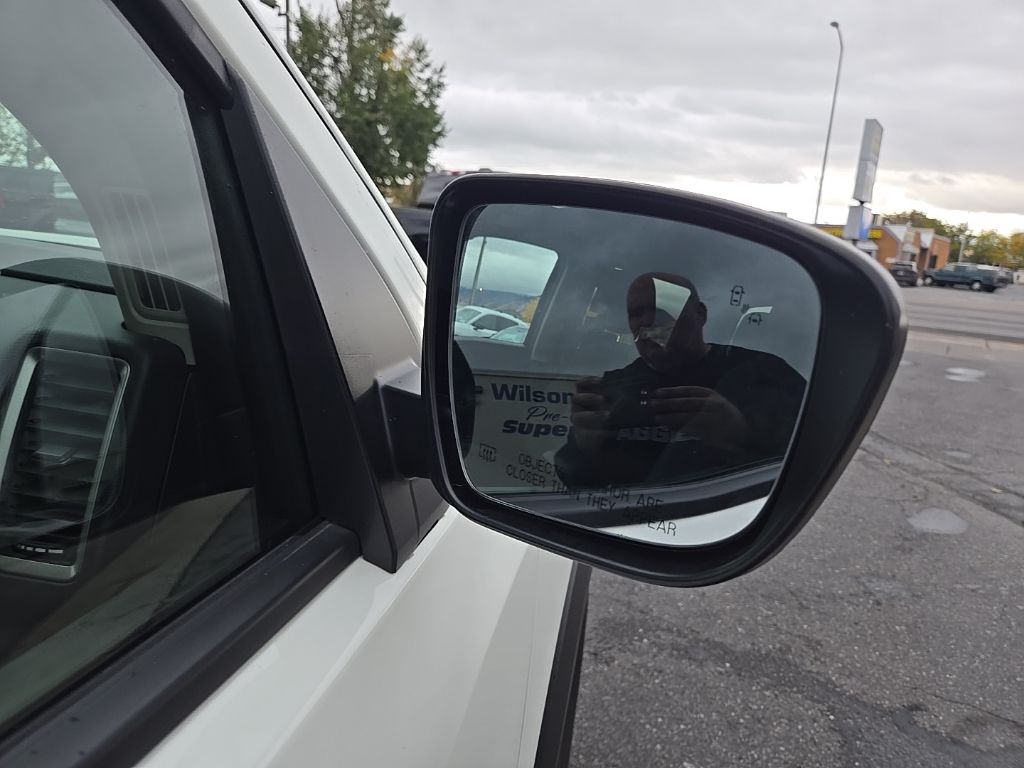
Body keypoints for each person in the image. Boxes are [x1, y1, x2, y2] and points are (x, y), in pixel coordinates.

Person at [554, 272, 806, 488]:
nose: (646, 321)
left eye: (661, 309)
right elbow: (575, 481)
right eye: (636, 313)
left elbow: (807, 461)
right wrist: (585, 444)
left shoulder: (764, 375)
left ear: (700, 314)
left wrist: (738, 432)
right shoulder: (615, 387)